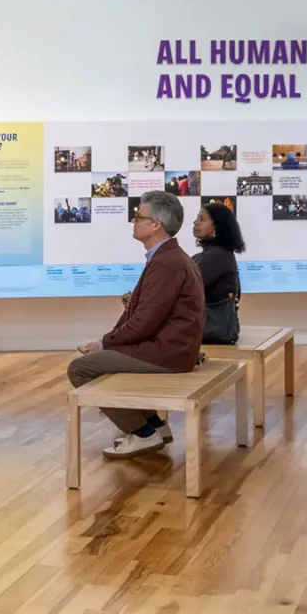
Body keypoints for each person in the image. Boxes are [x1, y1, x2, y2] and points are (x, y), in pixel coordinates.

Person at [67, 191, 204, 459]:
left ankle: (142, 433)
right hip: (172, 347)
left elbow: (143, 323)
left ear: (156, 225)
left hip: (167, 353)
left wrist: (103, 343)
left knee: (81, 369)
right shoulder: (169, 257)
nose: (133, 220)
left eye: (138, 216)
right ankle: (154, 426)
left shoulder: (166, 262)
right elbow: (151, 313)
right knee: (99, 359)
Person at [192, 201, 244, 345]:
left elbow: (185, 287)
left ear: (217, 226)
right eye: (197, 218)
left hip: (210, 328)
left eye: (202, 219)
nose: (195, 222)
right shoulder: (209, 255)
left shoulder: (218, 256)